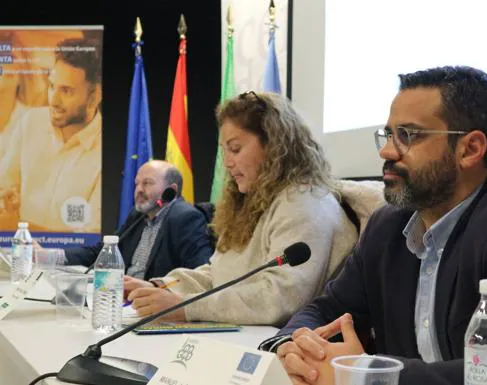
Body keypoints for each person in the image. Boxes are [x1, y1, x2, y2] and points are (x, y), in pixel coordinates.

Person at [273, 66, 487, 385]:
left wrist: (369, 374)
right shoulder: (387, 227)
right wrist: (294, 344)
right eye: (388, 135)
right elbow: (326, 309)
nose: (387, 150)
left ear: (470, 149)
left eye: (407, 136)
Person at [124, 91, 358, 326]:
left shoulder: (305, 202)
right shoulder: (252, 202)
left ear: (274, 145)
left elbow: (280, 298)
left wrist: (184, 306)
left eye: (235, 149)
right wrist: (160, 287)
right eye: (224, 150)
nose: (227, 162)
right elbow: (218, 274)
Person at [0, 37, 102, 232]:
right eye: (52, 86)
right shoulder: (31, 122)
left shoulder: (105, 151)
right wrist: (7, 201)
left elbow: (91, 240)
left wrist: (17, 229)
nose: (53, 100)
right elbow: (4, 185)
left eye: (66, 91)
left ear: (94, 96)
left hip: (70, 263)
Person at [63, 160, 213, 280]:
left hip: (152, 306)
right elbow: (103, 252)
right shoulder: (137, 216)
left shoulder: (186, 218)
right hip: (123, 299)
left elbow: (198, 275)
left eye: (147, 183)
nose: (139, 190)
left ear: (171, 190)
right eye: (137, 183)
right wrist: (51, 255)